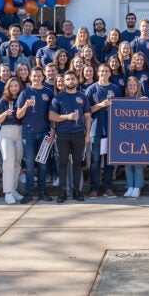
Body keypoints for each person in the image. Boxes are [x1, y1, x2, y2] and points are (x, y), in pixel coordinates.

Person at [50, 70, 93, 202]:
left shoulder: (83, 96)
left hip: (79, 134)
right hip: (62, 134)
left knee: (77, 164)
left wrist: (87, 135)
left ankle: (77, 191)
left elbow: (87, 117)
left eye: (72, 79)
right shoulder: (58, 97)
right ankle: (62, 191)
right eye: (67, 79)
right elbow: (51, 116)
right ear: (64, 81)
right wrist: (66, 117)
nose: (70, 81)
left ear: (76, 80)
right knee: (63, 164)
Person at [86, 64, 123, 199]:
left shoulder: (115, 89)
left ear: (110, 73)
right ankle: (94, 189)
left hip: (111, 131)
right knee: (95, 161)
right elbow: (86, 111)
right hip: (96, 130)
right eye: (101, 71)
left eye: (106, 71)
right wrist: (101, 105)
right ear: (97, 73)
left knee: (109, 161)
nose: (104, 73)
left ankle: (108, 188)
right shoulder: (91, 89)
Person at [18, 67, 55, 202]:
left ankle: (42, 192)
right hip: (29, 133)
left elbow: (52, 114)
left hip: (44, 133)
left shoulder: (49, 93)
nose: (37, 78)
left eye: (39, 76)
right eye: (34, 76)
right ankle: (28, 193)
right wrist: (25, 106)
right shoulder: (25, 93)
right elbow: (18, 115)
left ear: (43, 77)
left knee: (43, 164)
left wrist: (53, 130)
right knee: (28, 165)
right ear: (30, 77)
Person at [0, 77, 24, 204]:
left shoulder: (22, 99)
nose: (14, 88)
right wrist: (5, 113)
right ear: (8, 87)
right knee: (8, 161)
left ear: (19, 87)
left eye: (16, 86)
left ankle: (14, 189)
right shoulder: (3, 101)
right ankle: (7, 192)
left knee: (17, 162)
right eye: (11, 86)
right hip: (6, 131)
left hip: (20, 131)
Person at [120, 76, 147, 198]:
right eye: (130, 85)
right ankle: (129, 186)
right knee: (127, 162)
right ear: (126, 87)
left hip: (140, 135)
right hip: (125, 134)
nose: (132, 87)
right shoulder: (121, 100)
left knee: (137, 162)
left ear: (138, 87)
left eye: (134, 85)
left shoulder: (143, 100)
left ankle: (137, 187)